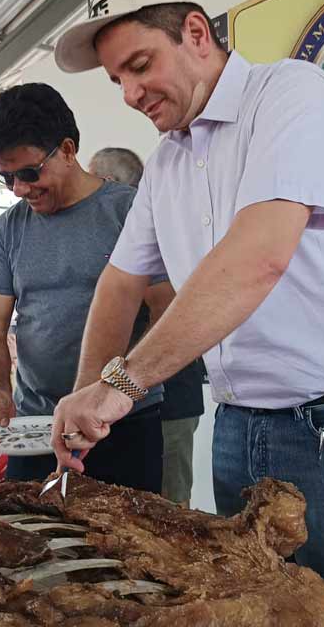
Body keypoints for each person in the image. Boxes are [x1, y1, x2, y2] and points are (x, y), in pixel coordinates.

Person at [48, 0, 324, 625]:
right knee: (260, 615)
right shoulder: (168, 161)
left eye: (140, 66)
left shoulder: (289, 95)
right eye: (117, 80)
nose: (131, 93)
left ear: (196, 33)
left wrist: (124, 381)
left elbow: (259, 255)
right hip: (240, 428)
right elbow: (120, 282)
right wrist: (84, 394)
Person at [0, 83, 173, 493]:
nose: (19, 189)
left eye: (29, 173)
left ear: (66, 150)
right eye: (6, 177)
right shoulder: (7, 230)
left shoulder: (128, 211)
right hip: (35, 428)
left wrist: (117, 389)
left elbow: (167, 311)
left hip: (122, 424)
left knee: (127, 549)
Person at [89, 146, 207, 506]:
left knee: (169, 509)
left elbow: (172, 307)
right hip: (125, 396)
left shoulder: (157, 229)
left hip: (166, 397)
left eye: (94, 180)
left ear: (109, 183)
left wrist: (124, 381)